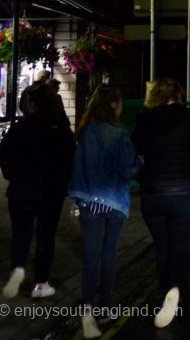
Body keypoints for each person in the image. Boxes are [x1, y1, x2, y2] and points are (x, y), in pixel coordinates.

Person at [132, 78, 190, 329]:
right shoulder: (188, 118)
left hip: (152, 192)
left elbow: (134, 148)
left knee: (162, 246)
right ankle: (173, 290)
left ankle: (166, 290)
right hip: (182, 191)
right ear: (178, 94)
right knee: (180, 246)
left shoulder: (144, 120)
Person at [70, 87, 142, 339]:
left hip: (88, 201)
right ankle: (103, 310)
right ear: (113, 105)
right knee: (108, 255)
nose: (121, 109)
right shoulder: (120, 133)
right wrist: (140, 162)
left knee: (91, 258)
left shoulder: (84, 132)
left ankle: (87, 309)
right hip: (112, 200)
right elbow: (128, 171)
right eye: (120, 105)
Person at [0, 85, 75, 299]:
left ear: (34, 103)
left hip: (21, 190)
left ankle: (17, 276)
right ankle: (41, 283)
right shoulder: (61, 130)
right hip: (51, 193)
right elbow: (69, 161)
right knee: (45, 236)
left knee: (20, 236)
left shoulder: (20, 127)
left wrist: (15, 176)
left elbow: (4, 157)